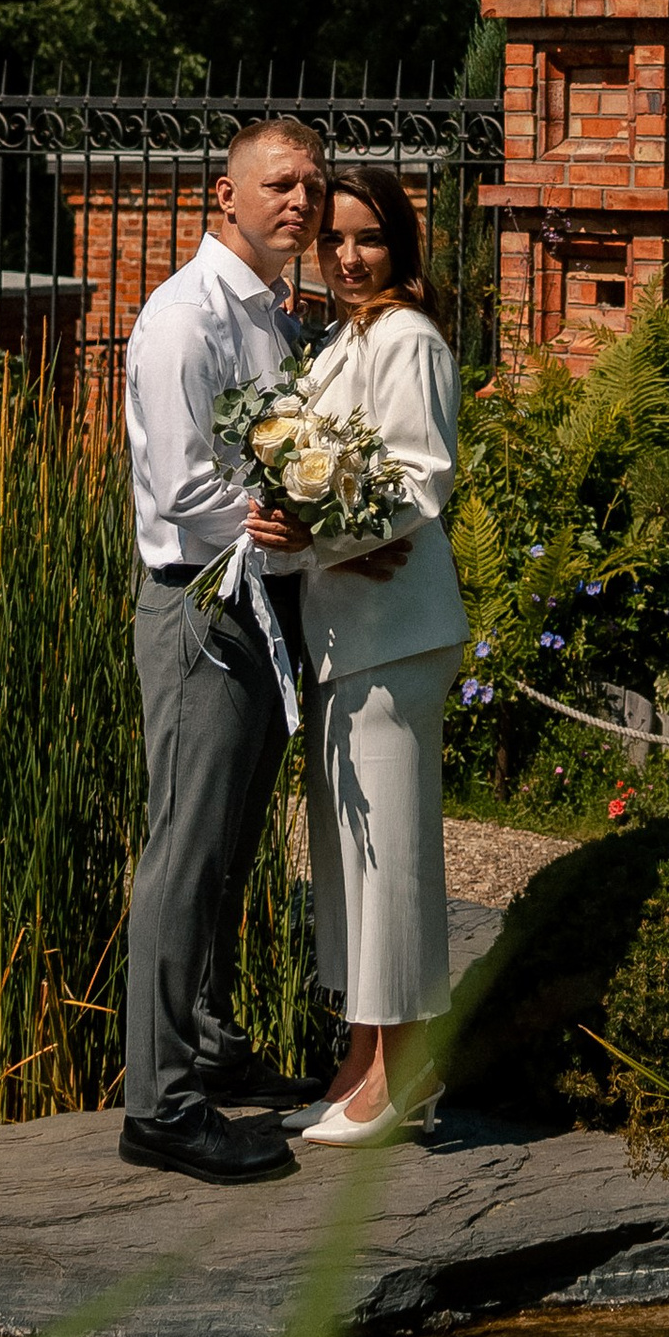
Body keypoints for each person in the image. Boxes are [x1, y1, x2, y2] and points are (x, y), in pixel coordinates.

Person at [117, 114, 331, 1183]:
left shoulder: (277, 318)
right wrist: (285, 515)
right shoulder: (182, 319)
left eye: (312, 185)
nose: (301, 200)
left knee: (231, 848)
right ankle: (158, 1103)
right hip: (200, 608)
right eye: (279, 183)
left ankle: (205, 1047)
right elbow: (180, 487)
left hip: (260, 609)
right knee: (185, 852)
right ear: (225, 194)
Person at [284, 166, 469, 1146]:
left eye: (368, 239)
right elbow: (300, 464)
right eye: (334, 240)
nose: (349, 257)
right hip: (340, 631)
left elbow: (417, 476)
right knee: (349, 855)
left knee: (390, 853)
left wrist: (317, 531)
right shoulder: (335, 342)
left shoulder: (408, 339)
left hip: (396, 631)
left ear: (399, 246)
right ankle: (363, 1051)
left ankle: (408, 1072)